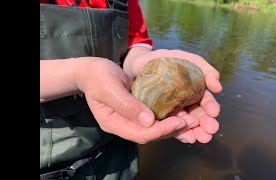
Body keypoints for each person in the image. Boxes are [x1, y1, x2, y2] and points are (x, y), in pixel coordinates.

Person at [40, 0, 222, 179]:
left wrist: (141, 63)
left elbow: (135, 47)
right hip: (53, 158)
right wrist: (80, 75)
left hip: (117, 150)